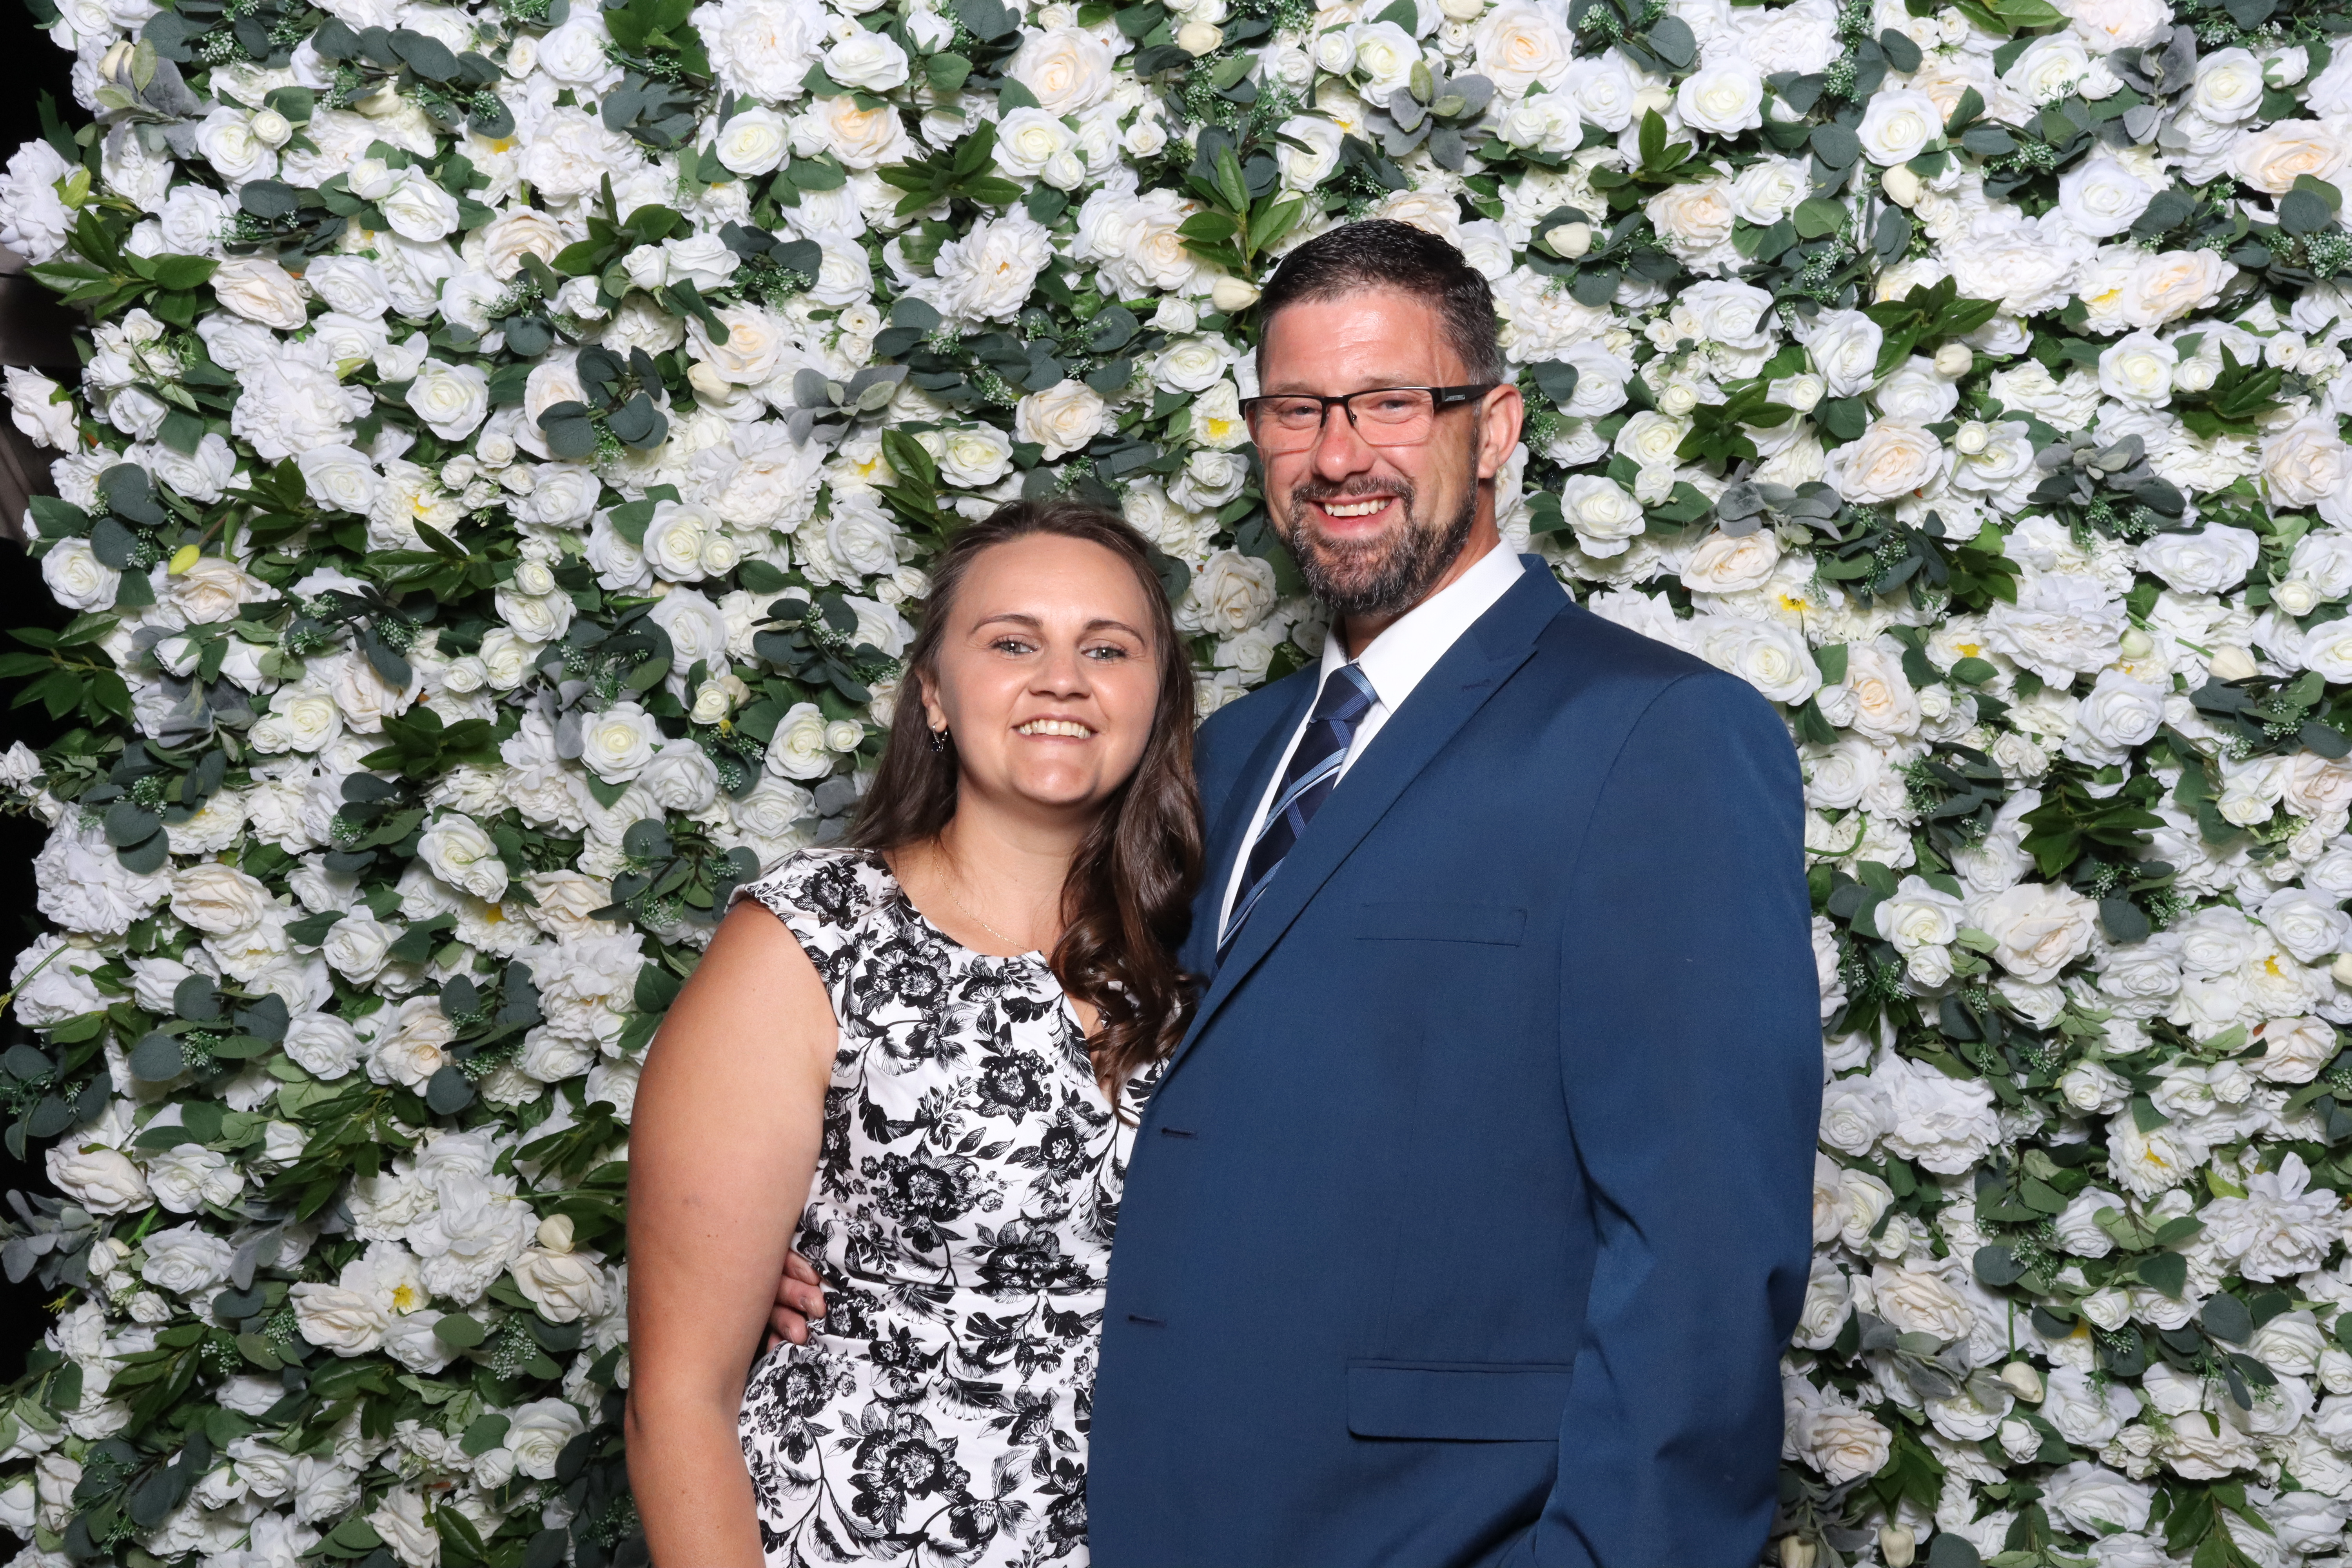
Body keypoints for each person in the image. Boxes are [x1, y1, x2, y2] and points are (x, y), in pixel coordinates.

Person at [769, 218, 1822, 1566]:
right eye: (1296, 410)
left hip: (1450, 1535)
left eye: (1393, 403)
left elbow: (1707, 1249)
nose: (1339, 455)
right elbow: (1060, 1057)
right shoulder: (1224, 754)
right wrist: (849, 1264)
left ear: (1493, 427)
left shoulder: (1656, 733)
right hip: (1149, 1509)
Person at [625, 501, 1202, 1567]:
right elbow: (678, 1401)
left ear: (1156, 698)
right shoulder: (809, 939)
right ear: (934, 694)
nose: (1063, 678)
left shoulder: (1214, 953)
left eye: (1108, 648)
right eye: (1012, 642)